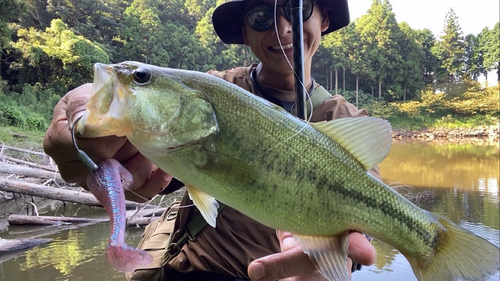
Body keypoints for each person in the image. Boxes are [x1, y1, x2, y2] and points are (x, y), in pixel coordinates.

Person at [43, 0, 377, 280]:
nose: (282, 28)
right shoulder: (207, 91)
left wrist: (343, 253)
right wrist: (90, 148)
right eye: (261, 17)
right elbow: (161, 174)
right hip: (190, 268)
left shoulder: (345, 120)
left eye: (296, 9)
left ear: (325, 19)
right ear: (245, 32)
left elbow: (372, 216)